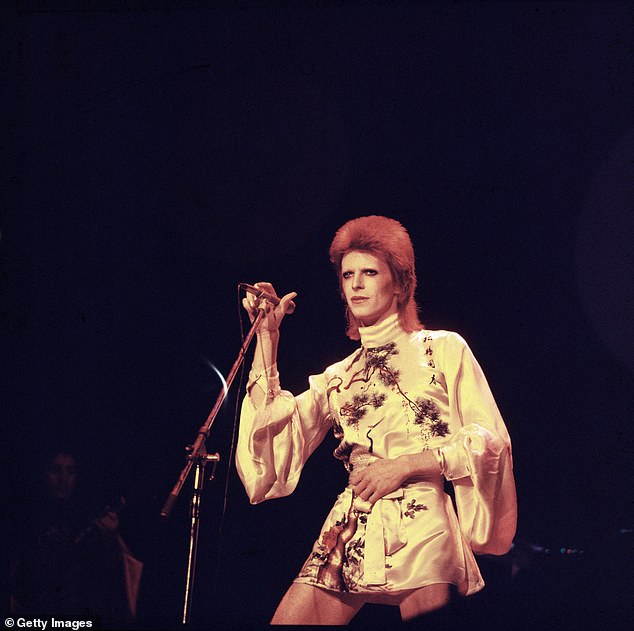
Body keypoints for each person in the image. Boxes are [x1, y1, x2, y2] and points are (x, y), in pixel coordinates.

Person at [236, 216, 517, 624]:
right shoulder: (339, 375)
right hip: (352, 521)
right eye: (348, 274)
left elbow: (489, 439)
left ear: (400, 283)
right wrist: (268, 337)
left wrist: (406, 465)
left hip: (422, 523)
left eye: (370, 272)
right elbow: (277, 439)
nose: (357, 284)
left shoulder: (441, 349)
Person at [10, 450, 142, 626]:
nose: (63, 480)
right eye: (55, 470)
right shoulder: (24, 520)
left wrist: (109, 538)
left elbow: (110, 576)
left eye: (70, 471)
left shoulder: (84, 518)